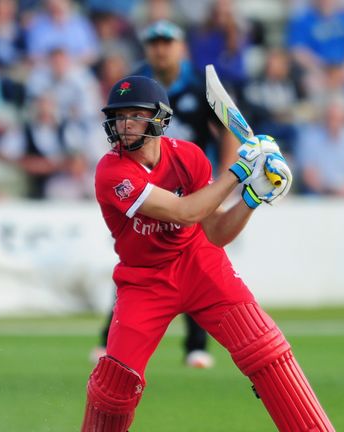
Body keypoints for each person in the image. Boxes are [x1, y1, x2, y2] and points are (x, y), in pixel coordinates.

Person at [81, 75, 334, 431]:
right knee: (114, 386)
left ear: (159, 118)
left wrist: (252, 197)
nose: (124, 125)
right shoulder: (112, 171)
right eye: (119, 116)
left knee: (266, 350)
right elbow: (185, 212)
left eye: (135, 115)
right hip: (145, 279)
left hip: (199, 262)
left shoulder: (189, 156)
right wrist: (241, 171)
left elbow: (215, 232)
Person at [92, 19, 238, 368]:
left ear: (180, 46)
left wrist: (228, 179)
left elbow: (227, 130)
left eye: (166, 42)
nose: (160, 48)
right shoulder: (136, 82)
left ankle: (195, 345)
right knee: (142, 254)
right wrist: (237, 176)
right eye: (153, 42)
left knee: (194, 259)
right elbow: (184, 212)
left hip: (192, 174)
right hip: (145, 176)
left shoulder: (201, 85)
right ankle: (110, 342)